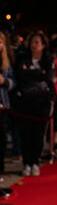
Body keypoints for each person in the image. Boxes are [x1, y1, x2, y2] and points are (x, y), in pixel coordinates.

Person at [13, 32, 54, 176]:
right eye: (32, 42)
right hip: (24, 102)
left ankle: (35, 162)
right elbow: (20, 76)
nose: (34, 45)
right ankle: (26, 163)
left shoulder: (48, 58)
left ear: (43, 45)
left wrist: (31, 72)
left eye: (37, 42)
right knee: (25, 134)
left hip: (42, 102)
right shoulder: (22, 58)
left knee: (38, 133)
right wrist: (38, 73)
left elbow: (48, 77)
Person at [0, 31, 15, 190]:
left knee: (2, 142)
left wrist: (4, 81)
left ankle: (1, 175)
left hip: (3, 107)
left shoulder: (5, 62)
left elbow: (13, 83)